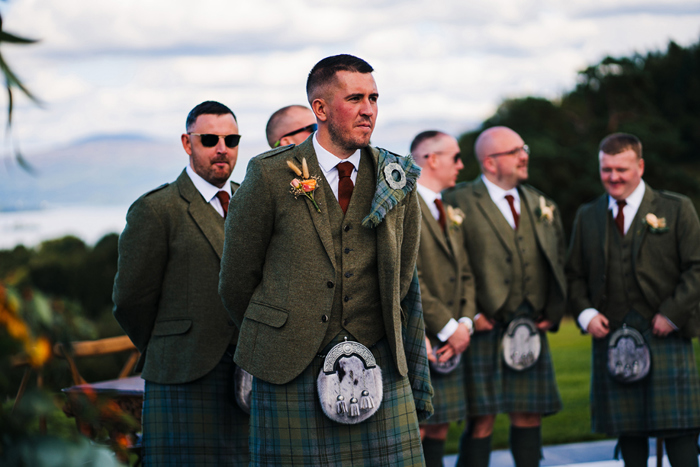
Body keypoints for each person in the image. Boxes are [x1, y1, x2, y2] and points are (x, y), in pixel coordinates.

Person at [219, 54, 432, 466]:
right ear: (320, 109)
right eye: (354, 98)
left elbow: (403, 274)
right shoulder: (270, 175)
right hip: (289, 364)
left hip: (377, 361)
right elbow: (237, 279)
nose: (368, 109)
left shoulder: (396, 176)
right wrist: (284, 329)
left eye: (373, 98)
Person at [113, 101, 248, 465]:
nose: (222, 148)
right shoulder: (157, 209)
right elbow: (130, 300)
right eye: (209, 139)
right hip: (182, 376)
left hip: (250, 378)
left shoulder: (252, 201)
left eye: (231, 139)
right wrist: (169, 344)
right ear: (188, 144)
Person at [566, 132, 700, 467]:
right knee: (629, 431)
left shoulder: (676, 207)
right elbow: (573, 274)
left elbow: (697, 267)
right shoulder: (588, 214)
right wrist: (585, 314)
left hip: (666, 333)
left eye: (621, 169)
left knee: (680, 429)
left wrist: (672, 314)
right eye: (606, 169)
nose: (613, 177)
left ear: (640, 166)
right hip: (612, 337)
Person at [443, 126, 565, 467]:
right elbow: (447, 264)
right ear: (490, 162)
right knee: (481, 419)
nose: (525, 155)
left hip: (530, 325)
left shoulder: (542, 203)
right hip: (484, 325)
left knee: (529, 414)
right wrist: (468, 315)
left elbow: (557, 260)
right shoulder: (457, 201)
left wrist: (554, 310)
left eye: (523, 148)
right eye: (515, 151)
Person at [411, 130, 474, 467]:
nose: (461, 165)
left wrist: (464, 324)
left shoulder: (446, 207)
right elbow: (410, 277)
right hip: (422, 335)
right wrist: (449, 327)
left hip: (453, 334)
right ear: (432, 159)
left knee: (440, 427)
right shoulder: (406, 206)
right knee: (418, 429)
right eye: (455, 157)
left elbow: (465, 273)